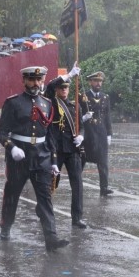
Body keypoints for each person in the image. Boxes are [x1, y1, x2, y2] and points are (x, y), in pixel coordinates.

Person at [0, 66, 69, 252]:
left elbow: (50, 135)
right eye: (32, 79)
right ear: (24, 80)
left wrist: (53, 160)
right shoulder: (13, 103)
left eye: (39, 79)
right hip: (19, 159)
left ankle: (51, 238)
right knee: (12, 194)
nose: (36, 83)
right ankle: (6, 226)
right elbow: (1, 132)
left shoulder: (47, 103)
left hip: (41, 157)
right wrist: (11, 148)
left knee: (45, 199)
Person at [44, 64, 87, 228]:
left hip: (72, 150)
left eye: (66, 88)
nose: (63, 90)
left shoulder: (74, 106)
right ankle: (44, 210)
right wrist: (68, 75)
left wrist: (81, 136)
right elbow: (49, 86)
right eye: (61, 88)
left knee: (77, 184)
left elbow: (81, 125)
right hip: (56, 150)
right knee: (52, 182)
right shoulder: (52, 102)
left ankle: (77, 218)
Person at [80, 71, 113, 196]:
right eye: (96, 81)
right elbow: (76, 114)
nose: (98, 83)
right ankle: (77, 184)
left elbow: (107, 117)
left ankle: (104, 188)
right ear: (90, 82)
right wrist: (83, 117)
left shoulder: (105, 97)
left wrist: (109, 134)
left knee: (103, 161)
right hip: (87, 132)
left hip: (101, 133)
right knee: (81, 160)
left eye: (100, 81)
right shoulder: (83, 96)